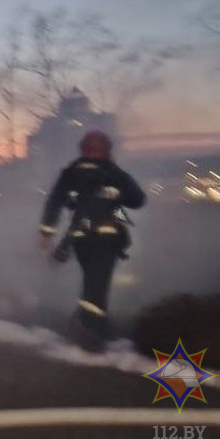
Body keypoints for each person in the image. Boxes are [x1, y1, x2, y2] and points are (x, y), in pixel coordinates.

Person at [37, 130, 146, 352]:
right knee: (97, 287)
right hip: (107, 240)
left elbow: (55, 201)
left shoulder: (71, 172)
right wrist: (116, 195)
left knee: (92, 284)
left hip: (81, 240)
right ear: (107, 150)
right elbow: (138, 199)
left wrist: (47, 232)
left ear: (82, 149)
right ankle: (91, 336)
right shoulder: (113, 172)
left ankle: (87, 329)